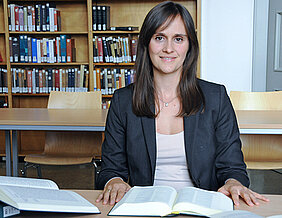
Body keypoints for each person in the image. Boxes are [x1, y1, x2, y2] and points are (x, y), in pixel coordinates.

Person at [96, 1, 269, 207]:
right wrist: (114, 182)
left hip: (202, 207)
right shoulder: (122, 101)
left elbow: (233, 166)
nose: (168, 48)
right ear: (146, 44)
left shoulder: (216, 97)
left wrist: (233, 182)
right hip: (144, 207)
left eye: (178, 39)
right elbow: (110, 169)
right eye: (159, 38)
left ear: (189, 46)